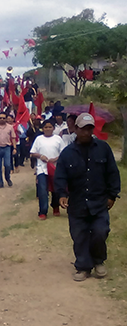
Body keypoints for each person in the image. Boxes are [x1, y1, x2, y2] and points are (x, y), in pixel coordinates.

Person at [54, 113, 120, 282]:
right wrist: (61, 194)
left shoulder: (103, 149)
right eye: (83, 129)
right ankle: (83, 266)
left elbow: (113, 173)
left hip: (99, 202)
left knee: (100, 232)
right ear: (75, 129)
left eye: (89, 129)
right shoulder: (67, 153)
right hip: (77, 203)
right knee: (79, 235)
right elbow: (60, 176)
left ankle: (98, 261)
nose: (86, 132)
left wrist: (112, 195)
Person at [30, 120, 65, 220]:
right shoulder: (39, 139)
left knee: (55, 190)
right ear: (43, 129)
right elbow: (32, 152)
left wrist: (56, 159)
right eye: (46, 127)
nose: (48, 129)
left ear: (53, 128)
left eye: (50, 127)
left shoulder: (58, 139)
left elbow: (64, 153)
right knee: (42, 190)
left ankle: (55, 206)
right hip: (42, 169)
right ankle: (43, 211)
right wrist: (40, 156)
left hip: (55, 168)